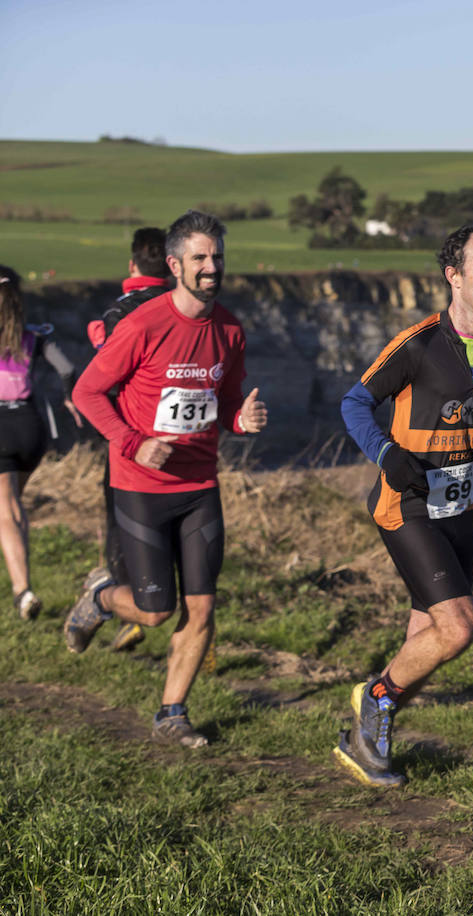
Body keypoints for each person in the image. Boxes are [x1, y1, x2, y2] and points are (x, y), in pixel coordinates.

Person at [333, 224, 473, 788]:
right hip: (408, 504)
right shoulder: (419, 344)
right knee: (459, 627)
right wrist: (385, 454)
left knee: (425, 636)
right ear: (454, 276)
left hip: (463, 512)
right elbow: (355, 403)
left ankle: (366, 740)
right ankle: (374, 699)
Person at [68, 209, 268, 748]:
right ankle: (104, 599)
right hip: (141, 487)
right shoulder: (143, 324)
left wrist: (239, 420)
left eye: (217, 257)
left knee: (202, 605)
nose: (211, 267)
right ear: (175, 263)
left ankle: (172, 713)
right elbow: (86, 393)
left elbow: (223, 403)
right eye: (200, 258)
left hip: (200, 487)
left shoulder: (228, 327)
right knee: (156, 610)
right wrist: (134, 442)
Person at [85, 226, 174, 652]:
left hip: (132, 440)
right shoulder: (184, 308)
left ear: (132, 264)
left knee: (121, 525)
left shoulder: (119, 312)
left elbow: (101, 373)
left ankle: (119, 597)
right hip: (184, 444)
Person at [0, 265, 81, 619]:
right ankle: (23, 583)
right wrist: (69, 398)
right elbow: (66, 368)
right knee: (14, 507)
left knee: (5, 510)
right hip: (31, 428)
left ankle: (22, 590)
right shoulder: (35, 337)